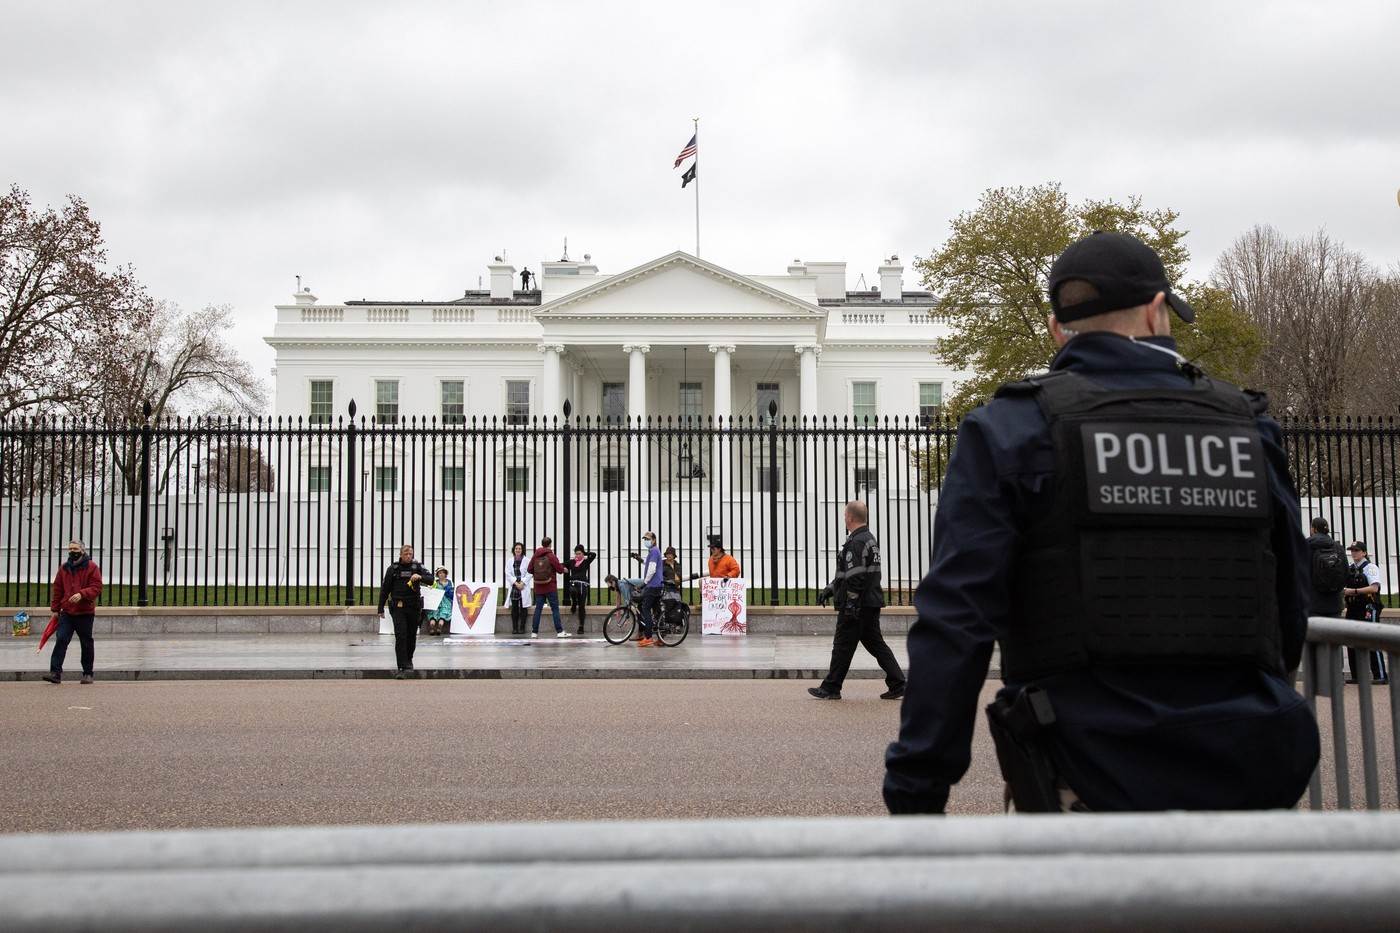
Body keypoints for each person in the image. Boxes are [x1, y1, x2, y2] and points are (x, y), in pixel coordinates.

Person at [884, 230, 1320, 814]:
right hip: (1247, 767)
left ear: (1056, 327)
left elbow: (957, 624)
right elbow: (1291, 607)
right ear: (1157, 309)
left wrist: (918, 791)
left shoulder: (1011, 428)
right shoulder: (1247, 427)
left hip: (1083, 771)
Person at [808, 501, 906, 701]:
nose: (844, 518)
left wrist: (851, 603)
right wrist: (831, 588)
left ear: (851, 517)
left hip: (858, 605)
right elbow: (849, 574)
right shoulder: (868, 539)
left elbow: (856, 576)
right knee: (875, 644)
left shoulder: (856, 542)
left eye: (845, 515)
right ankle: (898, 683)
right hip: (870, 602)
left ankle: (831, 687)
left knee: (842, 645)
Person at [42, 540, 103, 685]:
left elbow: (96, 587)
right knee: (61, 639)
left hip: (85, 612)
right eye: (70, 549)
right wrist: (55, 609)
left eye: (75, 548)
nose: (72, 551)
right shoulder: (64, 568)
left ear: (82, 550)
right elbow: (58, 589)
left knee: (86, 643)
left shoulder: (92, 567)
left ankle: (88, 673)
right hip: (67, 612)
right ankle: (55, 672)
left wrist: (82, 594)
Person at [378, 544, 430, 678]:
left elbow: (431, 580)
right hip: (399, 607)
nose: (408, 556)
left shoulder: (417, 567)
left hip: (413, 607)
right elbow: (385, 589)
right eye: (406, 554)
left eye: (410, 554)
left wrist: (420, 577)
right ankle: (402, 666)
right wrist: (380, 608)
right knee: (401, 636)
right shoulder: (393, 569)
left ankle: (408, 660)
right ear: (401, 555)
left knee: (411, 636)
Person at [1344, 541, 1387, 684]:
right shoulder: (1350, 568)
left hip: (1368, 607)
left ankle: (1380, 675)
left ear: (1364, 553)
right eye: (1352, 550)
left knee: (1371, 639)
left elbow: (1374, 588)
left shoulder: (1370, 568)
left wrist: (1354, 591)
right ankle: (1357, 675)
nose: (1353, 553)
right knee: (1351, 641)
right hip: (1353, 608)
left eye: (1356, 550)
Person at [529, 537, 572, 638]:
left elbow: (529, 569)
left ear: (542, 544)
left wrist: (537, 573)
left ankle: (534, 632)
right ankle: (559, 631)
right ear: (550, 545)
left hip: (538, 586)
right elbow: (559, 569)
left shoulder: (535, 555)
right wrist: (564, 570)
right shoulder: (551, 556)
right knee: (555, 609)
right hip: (550, 586)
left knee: (538, 609)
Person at [1305, 518, 1347, 621]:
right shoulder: (1338, 547)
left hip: (1313, 602)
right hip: (1335, 603)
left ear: (1313, 529)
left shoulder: (1306, 546)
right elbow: (1346, 572)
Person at [635, 531, 664, 647]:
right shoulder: (654, 551)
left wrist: (644, 583)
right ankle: (662, 637)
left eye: (648, 539)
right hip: (657, 585)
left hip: (652, 586)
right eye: (644, 539)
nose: (646, 541)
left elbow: (651, 570)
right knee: (657, 611)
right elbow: (649, 564)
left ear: (654, 540)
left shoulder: (654, 551)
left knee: (645, 608)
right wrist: (639, 559)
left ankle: (648, 637)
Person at [566, 545, 598, 635]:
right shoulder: (572, 562)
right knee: (572, 590)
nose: (577, 556)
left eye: (579, 554)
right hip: (573, 583)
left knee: (582, 606)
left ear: (582, 554)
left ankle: (581, 626)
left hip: (582, 585)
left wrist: (585, 553)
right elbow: (562, 565)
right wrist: (563, 569)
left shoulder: (586, 562)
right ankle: (574, 602)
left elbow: (594, 554)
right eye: (576, 554)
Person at [504, 541, 532, 635]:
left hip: (523, 586)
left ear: (522, 550)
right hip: (515, 586)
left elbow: (529, 573)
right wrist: (516, 583)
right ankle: (515, 628)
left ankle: (522, 628)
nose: (518, 550)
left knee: (524, 608)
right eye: (516, 549)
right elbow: (507, 574)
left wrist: (522, 583)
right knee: (514, 608)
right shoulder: (510, 561)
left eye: (519, 548)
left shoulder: (527, 561)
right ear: (514, 550)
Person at [426, 565, 454, 636]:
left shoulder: (448, 582)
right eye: (440, 573)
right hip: (437, 601)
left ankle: (437, 628)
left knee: (442, 614)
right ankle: (434, 627)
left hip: (444, 601)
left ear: (445, 574)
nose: (441, 574)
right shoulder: (436, 582)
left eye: (443, 573)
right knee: (435, 613)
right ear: (438, 574)